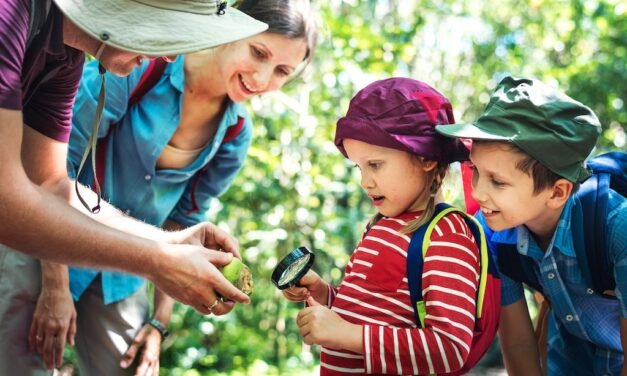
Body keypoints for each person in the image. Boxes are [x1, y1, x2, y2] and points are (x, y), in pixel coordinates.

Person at [22, 0, 318, 374]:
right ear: (231, 32)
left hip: (126, 275)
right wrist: (55, 286)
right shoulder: (139, 62)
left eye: (281, 71)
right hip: (44, 240)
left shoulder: (235, 134)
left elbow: (184, 223)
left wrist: (159, 323)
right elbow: (51, 171)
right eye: (258, 53)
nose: (261, 79)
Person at [282, 78, 494, 375]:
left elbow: (448, 349)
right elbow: (370, 313)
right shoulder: (379, 228)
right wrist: (324, 295)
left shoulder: (447, 236)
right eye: (359, 167)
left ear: (425, 158)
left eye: (375, 164)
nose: (364, 181)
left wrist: (346, 335)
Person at [435, 76, 627, 375]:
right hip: (568, 361)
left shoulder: (616, 228)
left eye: (497, 181)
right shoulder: (491, 235)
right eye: (476, 172)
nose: (477, 193)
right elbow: (518, 343)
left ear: (557, 191)